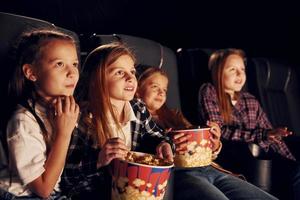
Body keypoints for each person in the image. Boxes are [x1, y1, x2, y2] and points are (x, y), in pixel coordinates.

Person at [136, 67, 278, 200]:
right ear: (137, 90)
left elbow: (198, 141)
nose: (161, 93)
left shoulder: (174, 115)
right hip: (181, 173)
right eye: (155, 87)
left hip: (209, 168)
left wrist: (213, 143)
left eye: (165, 90)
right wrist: (166, 142)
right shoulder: (135, 118)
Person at [60, 42, 174, 199]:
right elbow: (65, 178)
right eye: (119, 72)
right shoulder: (81, 118)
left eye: (132, 71)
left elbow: (158, 135)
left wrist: (164, 144)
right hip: (93, 193)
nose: (130, 78)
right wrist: (98, 160)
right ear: (97, 79)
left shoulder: (138, 108)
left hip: (135, 190)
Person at [198, 48, 300, 199]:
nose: (240, 74)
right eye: (232, 69)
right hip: (235, 161)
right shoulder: (209, 91)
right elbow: (218, 131)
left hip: (262, 160)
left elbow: (269, 134)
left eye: (242, 69)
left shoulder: (250, 100)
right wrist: (263, 135)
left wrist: (290, 160)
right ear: (218, 72)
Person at [0, 29, 80, 199]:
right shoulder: (22, 121)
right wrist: (64, 133)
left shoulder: (62, 110)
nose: (72, 72)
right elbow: (43, 189)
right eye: (59, 64)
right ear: (31, 73)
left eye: (74, 64)